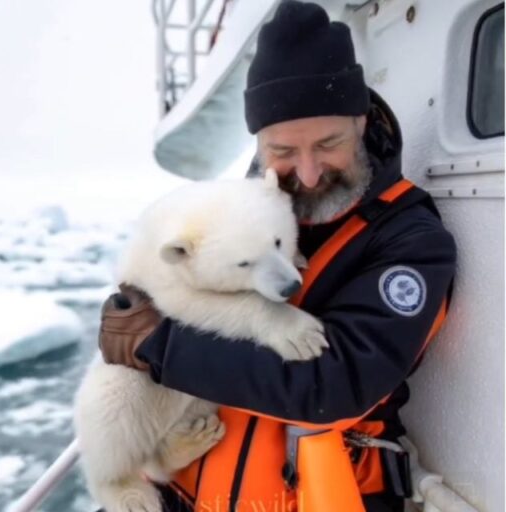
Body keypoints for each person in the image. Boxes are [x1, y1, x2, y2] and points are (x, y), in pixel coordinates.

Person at [98, 2, 456, 511]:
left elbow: (336, 384)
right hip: (187, 489)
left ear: (360, 121)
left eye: (328, 144)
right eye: (283, 152)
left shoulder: (410, 241)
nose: (308, 173)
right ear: (259, 144)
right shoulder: (237, 217)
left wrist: (154, 344)